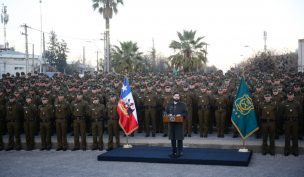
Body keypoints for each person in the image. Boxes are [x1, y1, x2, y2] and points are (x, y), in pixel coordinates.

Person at [165, 92, 187, 158]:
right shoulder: (169, 104)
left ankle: (179, 152)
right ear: (173, 97)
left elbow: (186, 113)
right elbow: (166, 112)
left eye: (178, 96)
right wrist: (168, 114)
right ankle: (173, 152)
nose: (177, 97)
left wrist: (180, 115)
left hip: (179, 124)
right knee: (173, 138)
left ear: (179, 97)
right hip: (171, 124)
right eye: (175, 96)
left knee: (179, 138)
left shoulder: (183, 104)